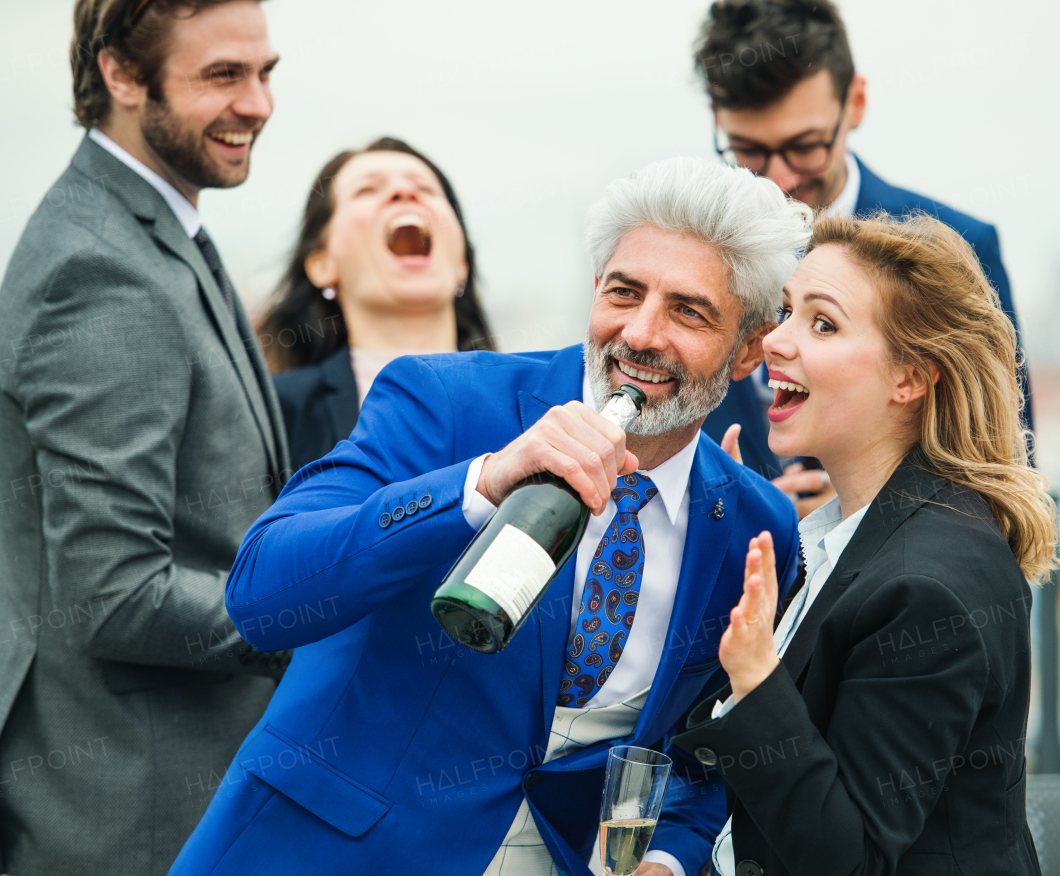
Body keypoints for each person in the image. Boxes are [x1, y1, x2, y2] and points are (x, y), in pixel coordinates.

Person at [168, 157, 810, 876]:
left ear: (750, 347)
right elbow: (262, 596)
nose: (640, 333)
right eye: (624, 293)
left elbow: (700, 750)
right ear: (596, 288)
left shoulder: (758, 528)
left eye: (688, 310)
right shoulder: (443, 400)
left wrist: (667, 856)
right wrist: (480, 483)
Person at [674, 213, 1056, 876]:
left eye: (822, 324)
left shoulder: (924, 588)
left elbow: (848, 857)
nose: (775, 342)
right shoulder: (857, 533)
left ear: (908, 377)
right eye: (786, 311)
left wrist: (756, 677)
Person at [0, 2, 289, 874]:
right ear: (122, 76)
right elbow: (115, 593)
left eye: (265, 71)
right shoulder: (98, 270)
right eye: (222, 76)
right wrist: (318, 611)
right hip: (135, 816)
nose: (259, 104)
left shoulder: (153, 229)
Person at [694, 0, 1032, 513]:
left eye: (805, 146)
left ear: (855, 103)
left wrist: (863, 504)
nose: (779, 178)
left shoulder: (961, 248)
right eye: (748, 150)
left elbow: (1002, 464)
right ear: (719, 119)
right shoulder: (695, 256)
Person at [259, 137, 495, 470]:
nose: (403, 192)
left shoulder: (535, 403)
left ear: (462, 265)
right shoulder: (273, 414)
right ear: (322, 265)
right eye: (367, 190)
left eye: (425, 188)